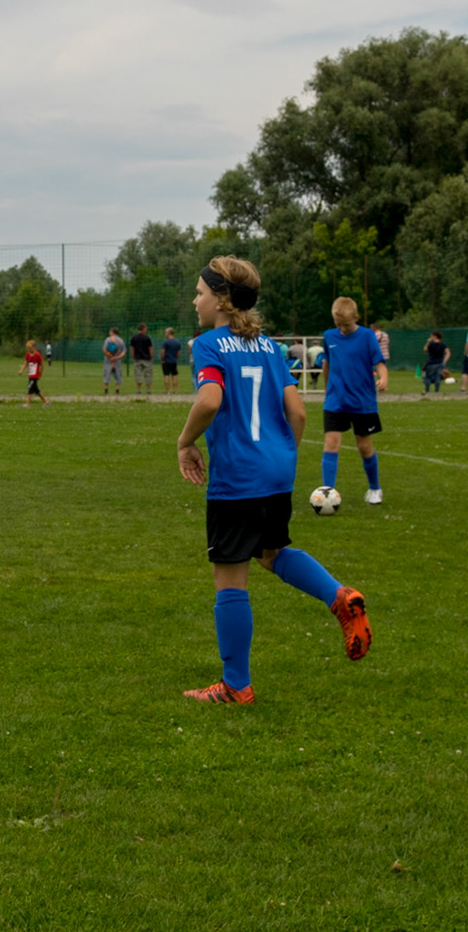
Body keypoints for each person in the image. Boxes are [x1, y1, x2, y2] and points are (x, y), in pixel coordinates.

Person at [175, 256, 372, 705]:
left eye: (201, 292)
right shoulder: (269, 347)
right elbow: (298, 412)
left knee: (229, 579)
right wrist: (284, 455)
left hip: (237, 478)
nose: (195, 300)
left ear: (221, 300)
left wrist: (185, 442)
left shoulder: (207, 344)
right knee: (270, 552)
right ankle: (338, 595)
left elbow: (209, 399)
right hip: (276, 473)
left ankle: (235, 686)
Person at [317, 296, 389, 506]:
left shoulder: (367, 336)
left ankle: (375, 488)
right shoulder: (329, 336)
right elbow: (327, 365)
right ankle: (327, 492)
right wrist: (327, 389)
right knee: (331, 443)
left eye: (346, 325)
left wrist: (383, 377)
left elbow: (379, 363)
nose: (342, 329)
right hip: (335, 401)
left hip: (362, 402)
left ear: (356, 318)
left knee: (364, 446)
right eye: (338, 325)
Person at [20, 338, 48, 406]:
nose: (29, 350)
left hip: (35, 376)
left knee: (30, 388)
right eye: (28, 348)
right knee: (36, 390)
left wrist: (40, 373)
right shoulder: (27, 355)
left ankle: (27, 403)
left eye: (30, 348)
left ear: (34, 347)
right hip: (30, 374)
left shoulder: (37, 355)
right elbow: (26, 363)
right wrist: (21, 370)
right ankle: (46, 402)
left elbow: (41, 365)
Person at [129, 323, 155, 395]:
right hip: (147, 358)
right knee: (148, 374)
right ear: (144, 329)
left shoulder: (134, 337)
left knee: (138, 374)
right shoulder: (147, 338)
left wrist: (133, 355)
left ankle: (139, 389)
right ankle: (148, 389)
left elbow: (131, 348)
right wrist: (151, 356)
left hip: (137, 358)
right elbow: (151, 348)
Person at [101, 328, 126, 394]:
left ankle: (106, 390)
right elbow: (124, 352)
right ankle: (117, 390)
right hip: (117, 360)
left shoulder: (108, 339)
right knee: (118, 375)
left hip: (108, 360)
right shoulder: (121, 340)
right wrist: (117, 357)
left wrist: (110, 356)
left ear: (112, 332)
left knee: (107, 374)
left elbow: (104, 349)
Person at [160, 327, 184, 394]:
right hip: (174, 361)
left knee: (166, 375)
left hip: (166, 360)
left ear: (168, 333)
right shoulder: (177, 342)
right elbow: (179, 352)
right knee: (174, 375)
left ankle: (167, 391)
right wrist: (176, 358)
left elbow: (163, 352)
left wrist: (162, 359)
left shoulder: (165, 342)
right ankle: (175, 390)